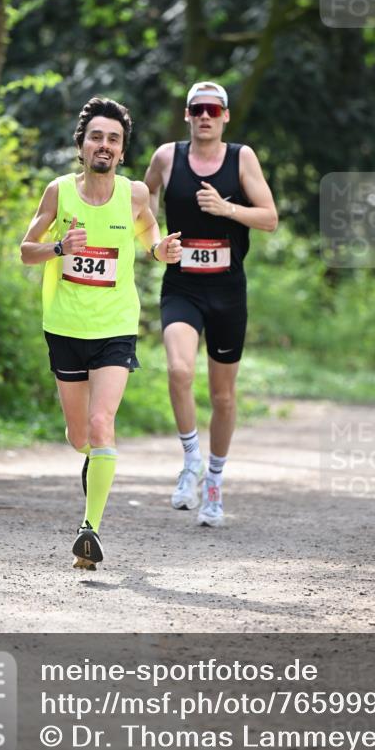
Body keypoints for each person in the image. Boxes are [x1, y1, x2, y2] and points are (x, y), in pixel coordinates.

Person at [21, 97, 181, 569]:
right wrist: (58, 247)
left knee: (101, 422)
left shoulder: (134, 195)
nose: (104, 145)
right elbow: (26, 251)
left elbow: (149, 232)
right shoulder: (58, 193)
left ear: (122, 150)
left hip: (115, 326)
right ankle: (96, 464)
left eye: (114, 138)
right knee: (79, 437)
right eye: (97, 137)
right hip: (65, 327)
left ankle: (89, 530)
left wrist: (159, 250)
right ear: (82, 145)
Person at [144, 80, 278, 527]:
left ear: (225, 116)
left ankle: (215, 483)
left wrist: (227, 209)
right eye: (197, 109)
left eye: (213, 110)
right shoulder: (167, 157)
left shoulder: (242, 158)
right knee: (179, 371)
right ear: (187, 115)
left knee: (223, 395)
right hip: (182, 285)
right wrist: (154, 242)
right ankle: (191, 461)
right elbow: (142, 202)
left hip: (227, 291)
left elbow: (270, 218)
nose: (205, 116)